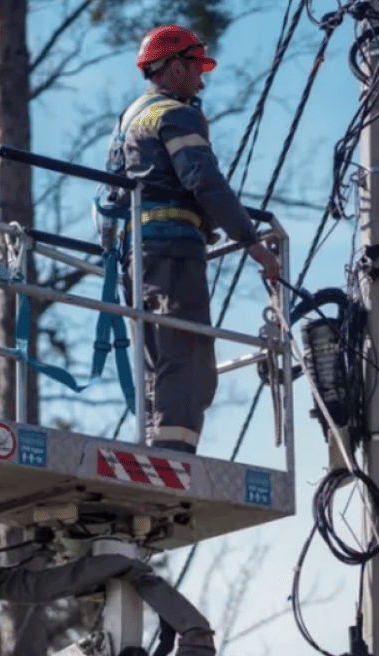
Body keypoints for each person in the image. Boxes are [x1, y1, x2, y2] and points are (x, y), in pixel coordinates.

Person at [97, 24, 280, 455]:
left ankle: (154, 446)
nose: (202, 80)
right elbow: (204, 180)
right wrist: (252, 243)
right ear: (175, 66)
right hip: (174, 250)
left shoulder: (129, 119)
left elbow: (111, 196)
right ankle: (174, 458)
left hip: (136, 256)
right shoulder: (175, 113)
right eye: (197, 68)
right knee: (190, 356)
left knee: (157, 356)